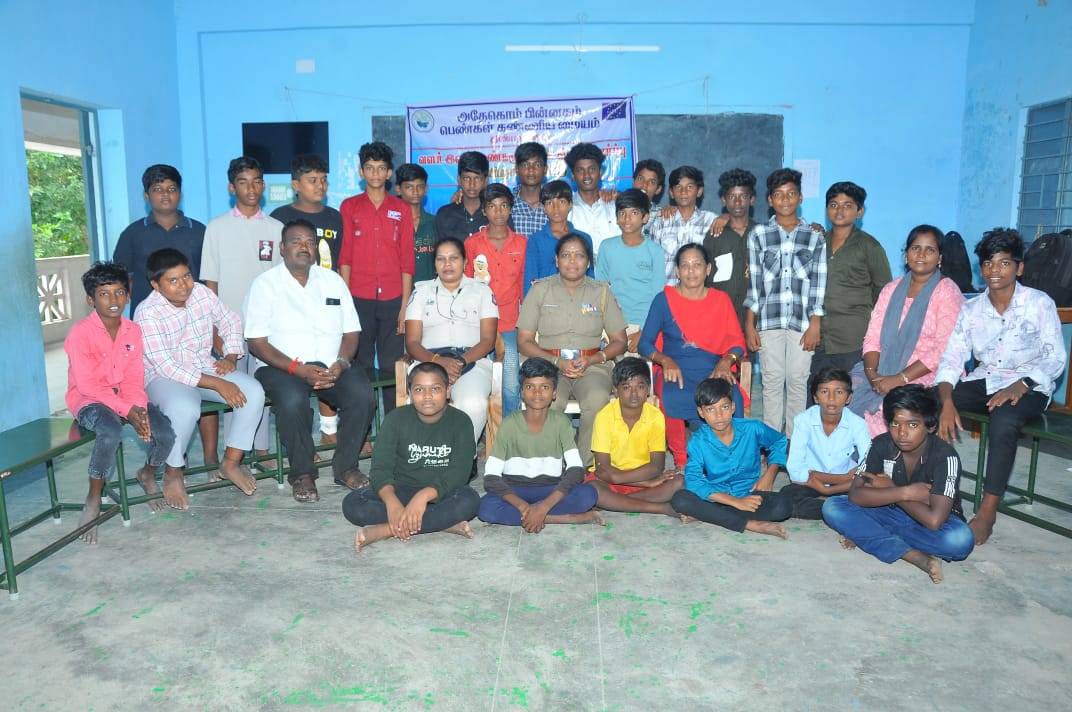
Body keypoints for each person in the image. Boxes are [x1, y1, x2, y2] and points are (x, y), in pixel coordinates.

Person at [935, 228, 1066, 545]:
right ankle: (937, 491)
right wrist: (947, 401)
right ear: (981, 268)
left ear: (1019, 268)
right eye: (988, 263)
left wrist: (1022, 383)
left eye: (1004, 263)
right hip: (987, 379)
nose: (995, 270)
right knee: (927, 403)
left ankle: (988, 510)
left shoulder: (1039, 304)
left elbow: (1055, 358)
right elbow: (952, 358)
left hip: (1031, 385)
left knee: (1004, 420)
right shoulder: (971, 309)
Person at [246, 219, 376, 503]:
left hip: (331, 365)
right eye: (296, 241)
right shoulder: (265, 285)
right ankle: (302, 473)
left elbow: (351, 331)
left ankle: (346, 467)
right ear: (282, 248)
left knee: (362, 395)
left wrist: (342, 362)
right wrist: (297, 369)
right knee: (292, 402)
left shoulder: (333, 281)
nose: (304, 247)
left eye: (310, 242)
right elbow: (256, 342)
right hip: (281, 367)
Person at [136, 248, 265, 510]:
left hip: (204, 365)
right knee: (185, 407)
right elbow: (166, 365)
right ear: (156, 285)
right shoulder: (147, 312)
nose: (184, 285)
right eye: (173, 280)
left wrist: (230, 355)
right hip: (162, 377)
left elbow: (230, 319)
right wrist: (218, 383)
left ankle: (231, 462)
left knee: (253, 392)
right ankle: (173, 472)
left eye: (186, 276)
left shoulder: (201, 293)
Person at [65, 262, 175, 542]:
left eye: (119, 292)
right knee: (110, 432)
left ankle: (147, 473)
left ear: (128, 295)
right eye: (104, 294)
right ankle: (93, 498)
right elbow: (88, 385)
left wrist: (138, 408)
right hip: (90, 400)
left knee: (165, 434)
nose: (113, 300)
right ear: (91, 300)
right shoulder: (80, 333)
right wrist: (127, 410)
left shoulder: (133, 330)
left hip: (126, 397)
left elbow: (135, 376)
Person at [822, 385, 975, 584]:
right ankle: (914, 556)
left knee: (960, 541)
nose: (902, 433)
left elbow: (934, 520)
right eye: (895, 424)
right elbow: (856, 495)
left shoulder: (945, 457)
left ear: (930, 426)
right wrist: (903, 493)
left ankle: (868, 533)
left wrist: (890, 489)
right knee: (832, 507)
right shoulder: (881, 444)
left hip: (930, 525)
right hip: (888, 510)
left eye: (913, 425)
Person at [342, 362, 480, 551]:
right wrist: (392, 503)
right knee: (354, 504)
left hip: (440, 493)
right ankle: (442, 523)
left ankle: (387, 529)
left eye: (435, 389)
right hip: (400, 490)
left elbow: (459, 473)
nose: (427, 396)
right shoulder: (395, 420)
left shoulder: (461, 422)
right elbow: (380, 469)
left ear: (448, 391)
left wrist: (423, 497)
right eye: (419, 389)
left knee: (469, 500)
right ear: (410, 393)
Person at [517, 233, 628, 467]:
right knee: (549, 400)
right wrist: (556, 363)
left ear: (588, 262)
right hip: (548, 366)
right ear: (556, 260)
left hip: (592, 365)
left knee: (596, 399)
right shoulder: (540, 290)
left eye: (579, 255)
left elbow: (620, 341)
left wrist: (593, 359)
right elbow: (524, 341)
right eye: (566, 255)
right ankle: (551, 461)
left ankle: (582, 464)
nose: (572, 261)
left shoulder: (602, 292)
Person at [200, 156, 282, 459]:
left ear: (263, 185)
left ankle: (262, 450)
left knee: (262, 387)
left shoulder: (276, 228)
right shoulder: (216, 228)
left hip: (265, 327)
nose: (251, 188)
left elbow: (280, 282)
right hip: (228, 328)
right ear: (231, 187)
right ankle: (234, 456)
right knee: (233, 389)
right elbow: (210, 282)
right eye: (243, 182)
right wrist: (215, 331)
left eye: (257, 181)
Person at [640, 244, 746, 468]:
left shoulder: (720, 300)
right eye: (685, 266)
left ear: (708, 269)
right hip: (674, 369)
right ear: (677, 271)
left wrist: (726, 361)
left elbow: (738, 343)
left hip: (713, 369)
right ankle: (682, 460)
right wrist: (665, 360)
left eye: (697, 265)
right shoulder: (663, 300)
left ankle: (731, 456)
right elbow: (644, 343)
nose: (691, 271)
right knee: (671, 396)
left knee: (731, 397)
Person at [852, 225, 964, 436]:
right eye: (915, 248)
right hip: (882, 368)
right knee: (842, 392)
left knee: (890, 407)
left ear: (940, 258)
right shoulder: (891, 289)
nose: (921, 254)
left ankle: (881, 454)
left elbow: (943, 350)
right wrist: (872, 374)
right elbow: (872, 337)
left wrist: (899, 379)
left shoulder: (947, 292)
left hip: (925, 373)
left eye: (930, 250)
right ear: (906, 255)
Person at [744, 167, 827, 437]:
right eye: (779, 195)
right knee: (771, 382)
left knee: (798, 382)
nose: (785, 200)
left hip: (803, 323)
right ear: (770, 200)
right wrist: (750, 324)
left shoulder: (814, 236)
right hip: (769, 321)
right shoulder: (758, 235)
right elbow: (755, 283)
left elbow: (819, 282)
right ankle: (773, 445)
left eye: (791, 194)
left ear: (800, 197)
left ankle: (794, 444)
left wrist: (815, 323)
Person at [270, 153, 345, 446]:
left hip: (325, 299)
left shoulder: (334, 216)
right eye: (312, 180)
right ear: (295, 185)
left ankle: (329, 429)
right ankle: (298, 435)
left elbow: (340, 260)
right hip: (291, 300)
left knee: (327, 359)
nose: (320, 185)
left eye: (324, 180)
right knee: (296, 368)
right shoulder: (279, 217)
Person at [477, 357, 603, 530]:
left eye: (544, 387)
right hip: (515, 489)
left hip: (550, 488)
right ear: (522, 392)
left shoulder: (561, 423)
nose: (537, 393)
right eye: (530, 387)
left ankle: (539, 515)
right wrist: (523, 506)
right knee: (486, 507)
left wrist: (544, 506)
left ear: (554, 393)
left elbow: (576, 470)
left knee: (588, 494)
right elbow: (491, 477)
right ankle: (561, 518)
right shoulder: (509, 424)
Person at [338, 141, 414, 414]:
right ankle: (363, 424)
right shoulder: (349, 207)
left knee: (394, 365)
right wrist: (346, 302)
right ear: (361, 172)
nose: (375, 173)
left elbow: (407, 260)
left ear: (389, 172)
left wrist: (405, 307)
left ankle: (394, 424)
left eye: (381, 168)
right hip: (358, 297)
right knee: (361, 365)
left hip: (394, 298)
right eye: (369, 168)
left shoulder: (401, 209)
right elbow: (345, 257)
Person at [669, 378, 792, 538]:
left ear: (733, 407)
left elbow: (779, 441)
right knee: (680, 499)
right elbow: (693, 479)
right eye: (710, 409)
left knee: (783, 506)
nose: (719, 415)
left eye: (724, 407)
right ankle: (748, 524)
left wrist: (770, 473)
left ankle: (709, 514)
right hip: (716, 497)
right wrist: (735, 502)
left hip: (749, 494)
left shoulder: (752, 428)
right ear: (701, 412)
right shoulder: (698, 441)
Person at [405, 237, 498, 444]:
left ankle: (462, 455)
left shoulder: (482, 291)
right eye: (441, 259)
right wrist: (437, 361)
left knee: (473, 402)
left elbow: (488, 340)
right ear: (434, 264)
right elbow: (411, 342)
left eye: (453, 258)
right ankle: (430, 453)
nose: (447, 264)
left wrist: (460, 362)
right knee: (426, 400)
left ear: (465, 262)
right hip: (428, 360)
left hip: (471, 360)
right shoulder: (420, 292)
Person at [809, 182, 892, 391]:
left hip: (853, 337)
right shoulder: (817, 242)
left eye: (847, 205)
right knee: (817, 391)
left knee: (850, 393)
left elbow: (884, 294)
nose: (839, 210)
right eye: (834, 205)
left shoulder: (870, 246)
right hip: (818, 335)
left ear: (859, 211)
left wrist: (875, 334)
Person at [586, 357, 683, 516]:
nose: (634, 394)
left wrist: (646, 480)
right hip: (611, 480)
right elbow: (603, 471)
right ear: (616, 391)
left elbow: (656, 467)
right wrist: (647, 483)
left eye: (640, 386)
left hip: (637, 475)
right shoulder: (604, 417)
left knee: (679, 482)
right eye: (626, 387)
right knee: (593, 489)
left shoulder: (655, 416)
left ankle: (616, 503)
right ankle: (660, 508)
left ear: (648, 389)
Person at [464, 183, 527, 416]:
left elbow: (524, 287)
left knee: (510, 387)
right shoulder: (472, 244)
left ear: (511, 209)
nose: (498, 212)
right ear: (484, 210)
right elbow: (466, 285)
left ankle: (510, 434)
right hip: (478, 325)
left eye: (503, 206)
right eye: (492, 206)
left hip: (510, 324)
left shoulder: (522, 244)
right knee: (479, 386)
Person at [113, 164, 205, 315]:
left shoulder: (199, 231)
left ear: (180, 194)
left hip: (194, 314)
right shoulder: (132, 233)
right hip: (149, 317)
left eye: (172, 189)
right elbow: (123, 278)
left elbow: (208, 277)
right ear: (146, 195)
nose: (165, 194)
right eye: (157, 189)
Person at [780, 368, 872, 519]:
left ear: (848, 398)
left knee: (871, 491)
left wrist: (828, 484)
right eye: (824, 392)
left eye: (839, 392)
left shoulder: (858, 424)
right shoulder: (803, 420)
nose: (831, 398)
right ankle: (836, 509)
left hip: (837, 482)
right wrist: (843, 478)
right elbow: (795, 469)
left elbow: (867, 464)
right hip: (812, 483)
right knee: (786, 496)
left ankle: (831, 507)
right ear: (815, 398)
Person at [595, 189, 664, 355]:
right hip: (611, 327)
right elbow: (600, 290)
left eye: (634, 213)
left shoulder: (655, 251)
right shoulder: (606, 247)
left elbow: (658, 296)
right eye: (622, 213)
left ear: (645, 218)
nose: (627, 218)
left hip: (642, 327)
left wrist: (645, 332)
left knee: (638, 371)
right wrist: (607, 326)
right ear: (616, 218)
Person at [702, 168, 757, 333]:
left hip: (755, 318)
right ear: (723, 200)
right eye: (732, 197)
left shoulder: (761, 233)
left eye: (743, 196)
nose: (738, 202)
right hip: (720, 316)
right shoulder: (714, 235)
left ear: (752, 199)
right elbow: (706, 278)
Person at [648, 165, 717, 284]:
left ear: (699, 191)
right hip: (668, 290)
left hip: (701, 292)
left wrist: (726, 217)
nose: (683, 192)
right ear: (671, 193)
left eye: (690, 187)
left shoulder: (711, 221)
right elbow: (652, 262)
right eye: (678, 187)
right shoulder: (660, 222)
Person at [523, 180, 593, 293]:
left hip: (578, 299)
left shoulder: (584, 239)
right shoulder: (536, 240)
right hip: (546, 300)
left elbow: (590, 278)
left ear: (570, 205)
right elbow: (530, 280)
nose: (556, 208)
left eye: (561, 202)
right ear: (543, 208)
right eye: (549, 203)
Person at [564, 142, 618, 255]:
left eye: (592, 169)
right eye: (580, 170)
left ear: (600, 172)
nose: (587, 175)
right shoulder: (566, 208)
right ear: (572, 175)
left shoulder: (615, 205)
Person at [395, 163, 437, 283]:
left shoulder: (435, 222)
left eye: (419, 186)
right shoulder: (391, 224)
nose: (415, 192)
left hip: (429, 289)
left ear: (426, 189)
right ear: (398, 189)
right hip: (398, 289)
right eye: (409, 187)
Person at [435, 150, 491, 241]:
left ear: (485, 181)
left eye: (477, 178)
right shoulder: (444, 215)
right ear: (459, 180)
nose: (472, 184)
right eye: (466, 178)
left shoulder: (495, 214)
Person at [511, 142, 549, 237]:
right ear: (517, 169)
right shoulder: (507, 204)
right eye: (525, 165)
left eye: (537, 165)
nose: (531, 170)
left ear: (545, 169)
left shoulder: (555, 204)